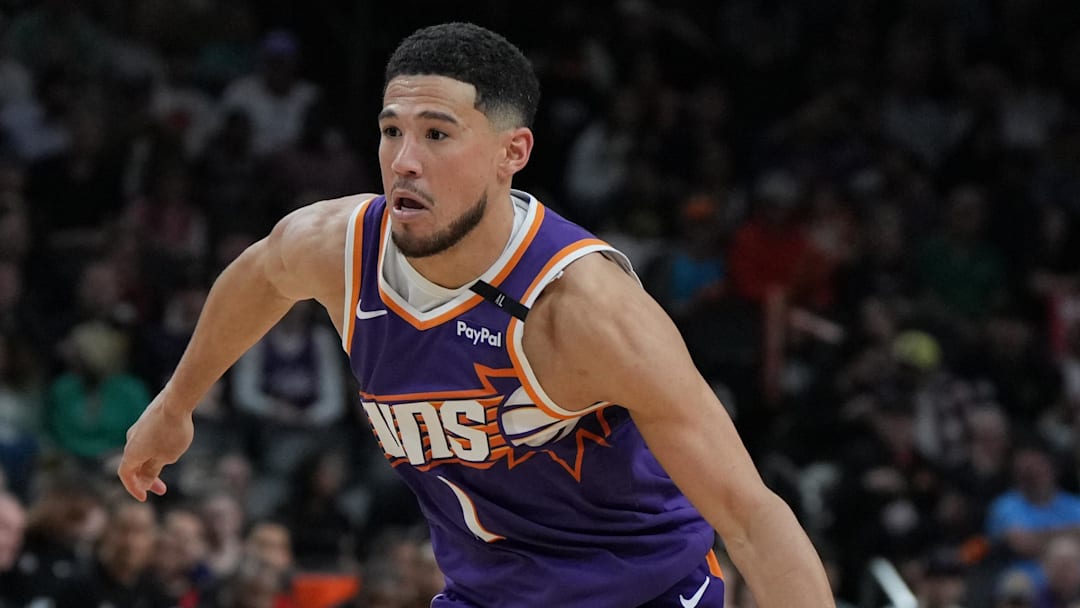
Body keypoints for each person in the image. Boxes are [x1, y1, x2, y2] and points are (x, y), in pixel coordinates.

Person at [118, 22, 833, 607]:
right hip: (488, 596)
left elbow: (751, 516)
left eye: (436, 134)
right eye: (391, 131)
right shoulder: (336, 248)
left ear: (509, 153)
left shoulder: (582, 309)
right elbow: (257, 277)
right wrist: (176, 402)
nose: (403, 161)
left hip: (638, 594)